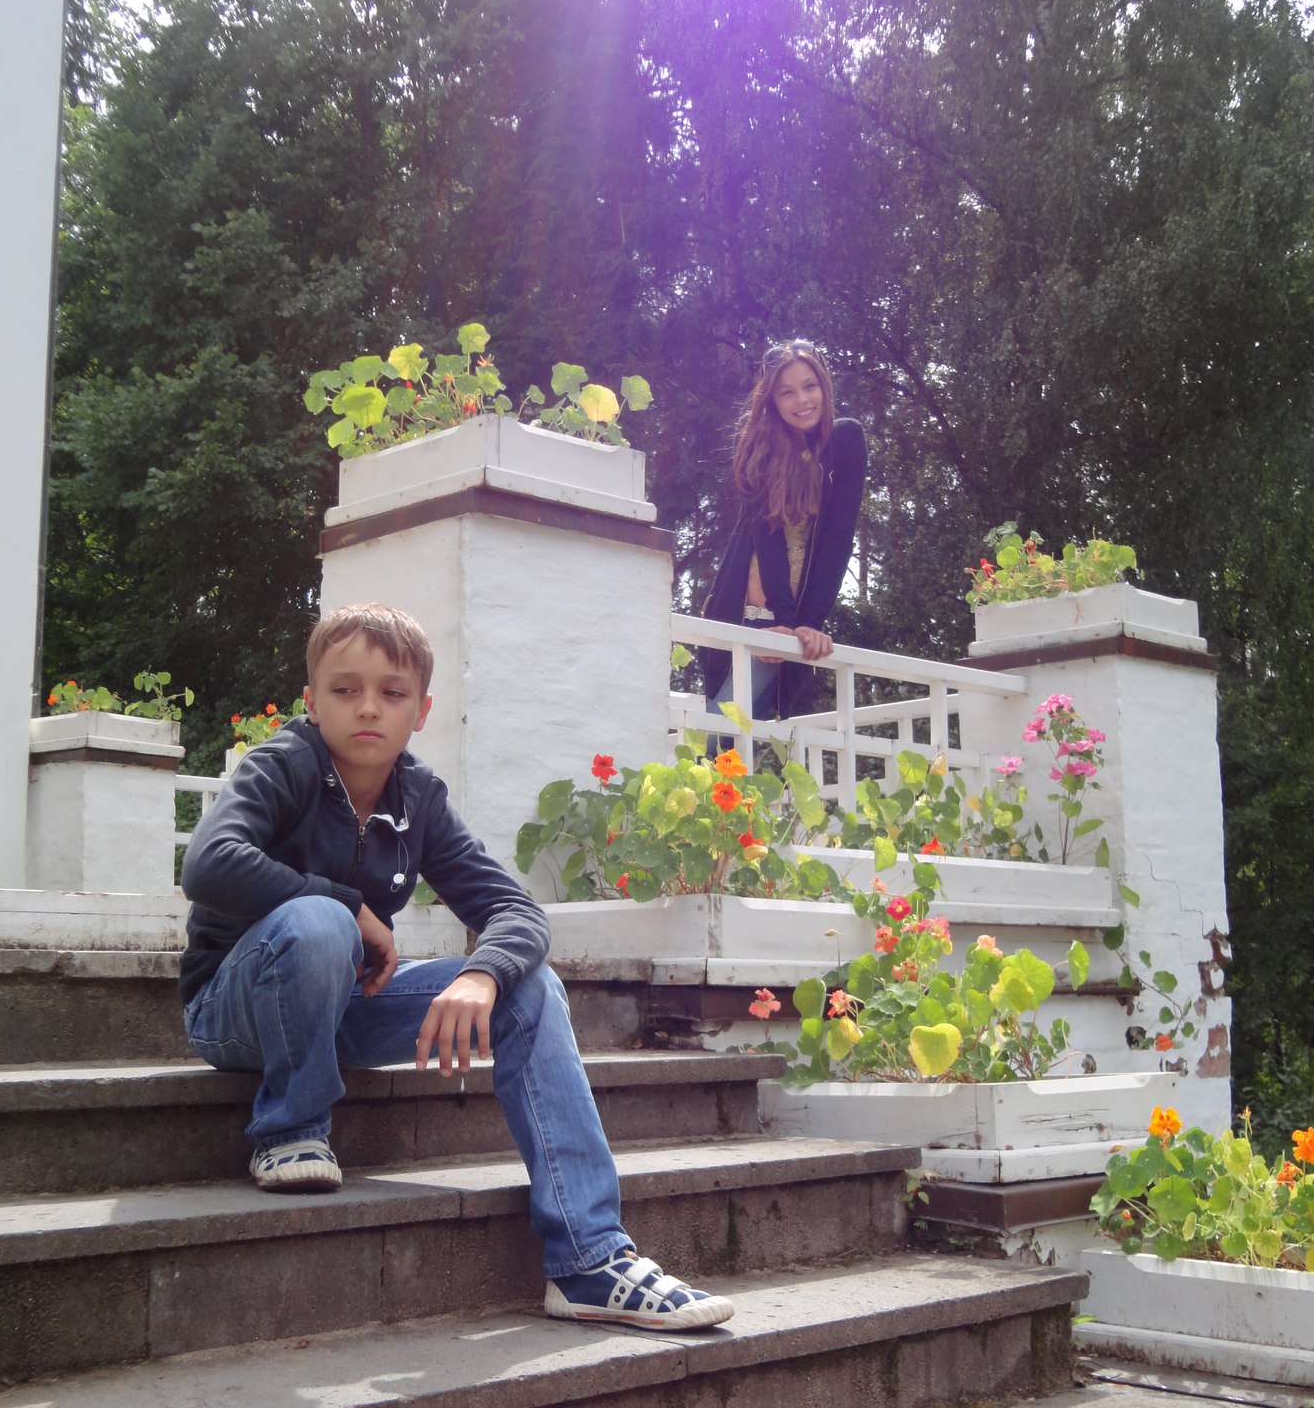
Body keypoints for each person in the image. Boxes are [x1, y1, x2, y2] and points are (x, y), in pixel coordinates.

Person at [179, 600, 734, 1333]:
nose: (368, 707)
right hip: (235, 1009)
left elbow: (516, 911)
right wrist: (349, 905)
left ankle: (590, 1259)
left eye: (392, 692)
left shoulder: (418, 797)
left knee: (529, 984)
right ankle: (290, 1129)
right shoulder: (281, 766)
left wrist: (481, 974)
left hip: (344, 1006)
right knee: (319, 921)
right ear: (311, 702)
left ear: (422, 710)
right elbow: (208, 864)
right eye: (345, 690)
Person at [698, 340, 867, 724]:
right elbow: (767, 540)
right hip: (741, 612)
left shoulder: (845, 441)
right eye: (787, 392)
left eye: (810, 386)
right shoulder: (761, 448)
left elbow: (838, 537)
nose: (802, 400)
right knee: (726, 732)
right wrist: (789, 624)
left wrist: (807, 624)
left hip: (789, 620)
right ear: (772, 400)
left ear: (824, 386)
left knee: (729, 734)